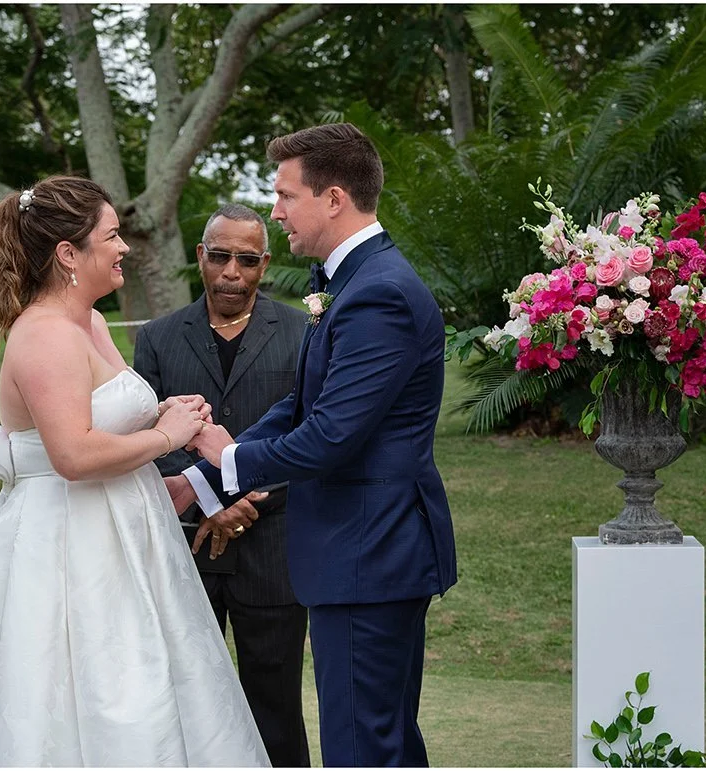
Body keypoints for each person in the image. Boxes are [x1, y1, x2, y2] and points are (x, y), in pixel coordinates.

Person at [0, 176, 269, 766]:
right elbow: (72, 455)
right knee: (80, 688)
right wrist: (168, 435)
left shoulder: (91, 323)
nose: (123, 248)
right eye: (112, 236)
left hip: (131, 533)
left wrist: (172, 420)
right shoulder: (42, 334)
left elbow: (119, 418)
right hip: (67, 542)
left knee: (160, 681)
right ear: (69, 253)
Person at [175, 123, 459, 768]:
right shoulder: (354, 281)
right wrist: (203, 478)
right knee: (377, 739)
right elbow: (299, 407)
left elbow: (331, 436)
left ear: (333, 198)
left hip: (370, 553)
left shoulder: (378, 293)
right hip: (362, 553)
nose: (275, 212)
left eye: (285, 195)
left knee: (363, 746)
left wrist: (230, 457)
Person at [136, 203, 313, 767]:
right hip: (185, 547)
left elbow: (312, 433)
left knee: (275, 706)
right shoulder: (159, 338)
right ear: (200, 258)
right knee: (187, 703)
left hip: (275, 549)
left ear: (265, 263)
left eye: (246, 259)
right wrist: (212, 501)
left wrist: (237, 498)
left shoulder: (302, 332)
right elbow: (145, 440)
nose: (231, 271)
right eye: (220, 256)